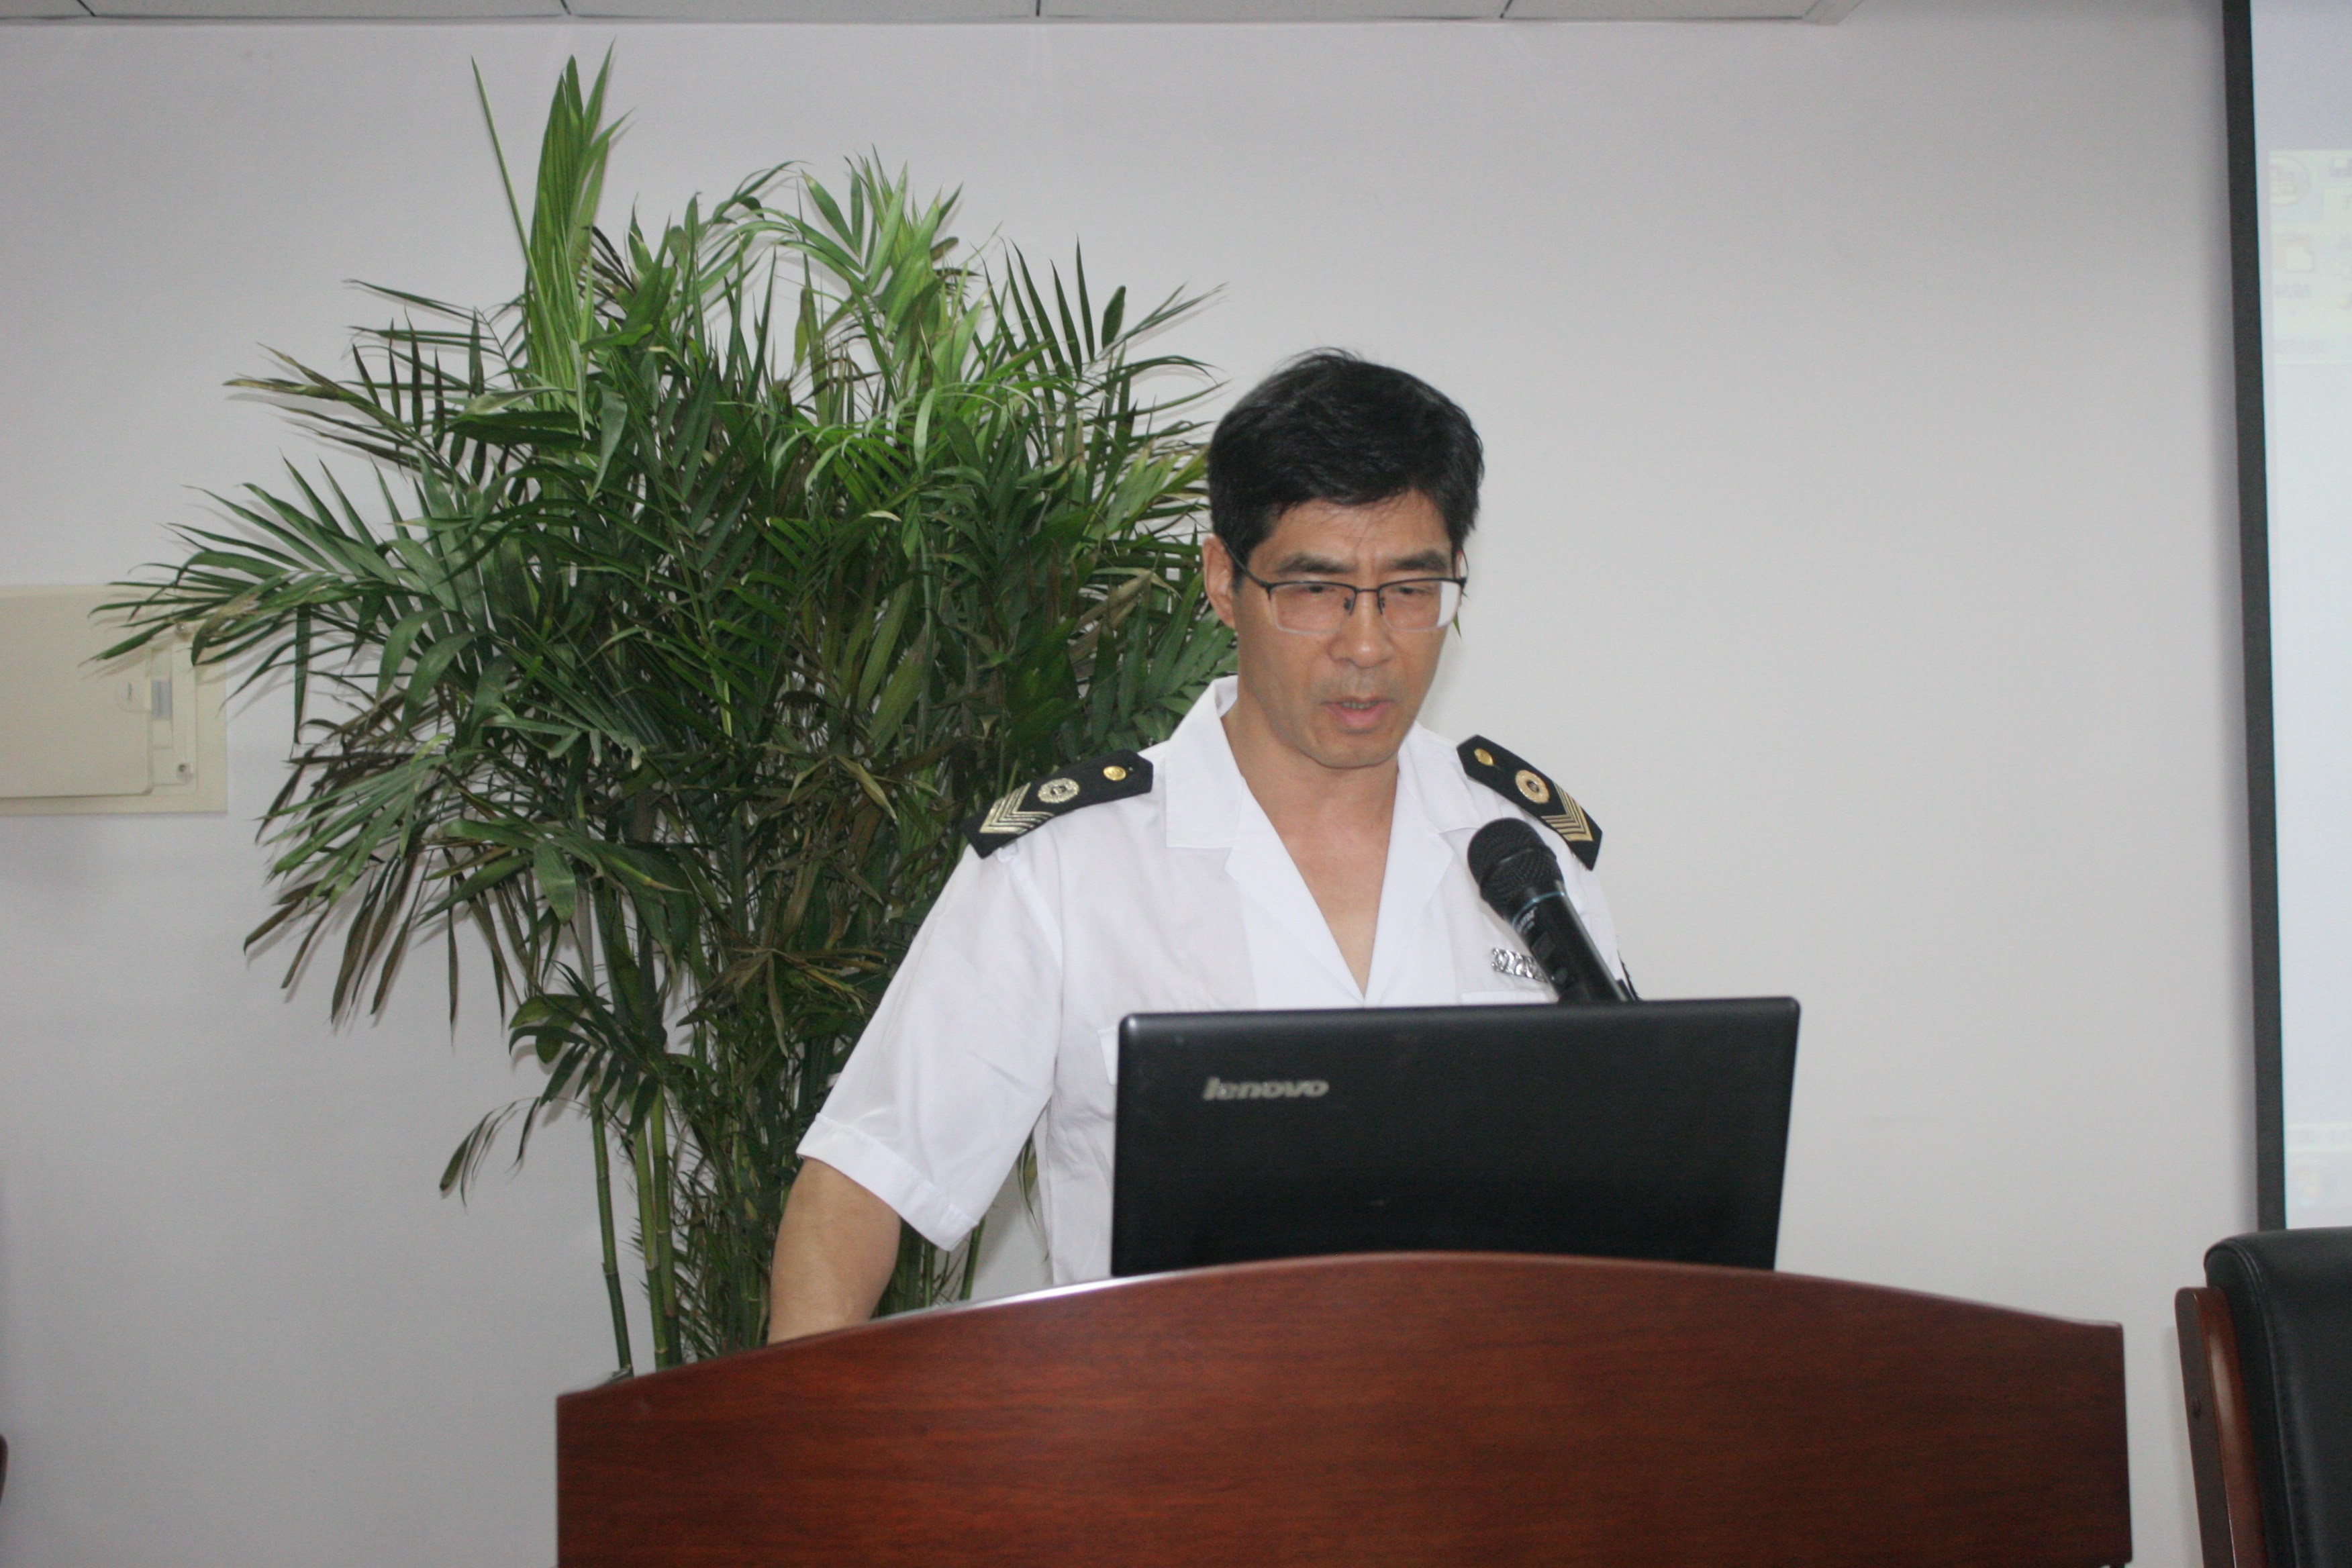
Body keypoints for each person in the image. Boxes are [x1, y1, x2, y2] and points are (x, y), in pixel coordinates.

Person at [766, 351, 1626, 1341]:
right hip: (1160, 1431)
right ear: (1224, 580)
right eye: (1315, 589)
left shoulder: (1522, 852)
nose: (1368, 644)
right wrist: (811, 1437)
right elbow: (857, 1192)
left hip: (1480, 1421)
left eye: (1411, 589)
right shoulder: (1067, 868)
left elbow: (1632, 1171)